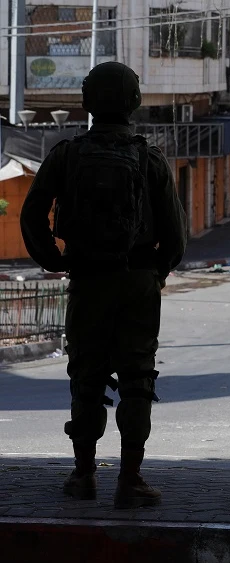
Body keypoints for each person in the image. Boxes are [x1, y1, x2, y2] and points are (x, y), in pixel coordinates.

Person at [20, 61, 188, 509]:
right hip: (137, 283)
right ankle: (130, 480)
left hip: (87, 280)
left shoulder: (66, 155)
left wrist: (53, 259)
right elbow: (175, 236)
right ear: (134, 102)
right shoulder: (149, 159)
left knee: (86, 378)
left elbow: (32, 215)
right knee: (137, 380)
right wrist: (155, 272)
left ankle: (83, 475)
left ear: (86, 101)